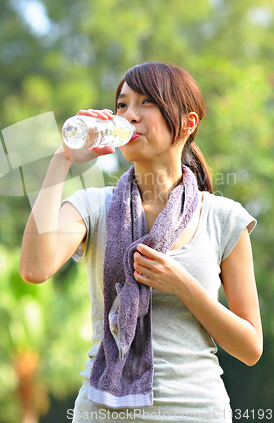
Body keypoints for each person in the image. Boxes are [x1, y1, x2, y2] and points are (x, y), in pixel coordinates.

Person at [20, 62, 263, 423]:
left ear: (187, 123)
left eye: (145, 102)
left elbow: (250, 348)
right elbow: (34, 269)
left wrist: (182, 285)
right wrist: (62, 160)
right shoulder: (93, 206)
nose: (129, 116)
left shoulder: (224, 218)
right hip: (102, 411)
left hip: (196, 410)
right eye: (122, 105)